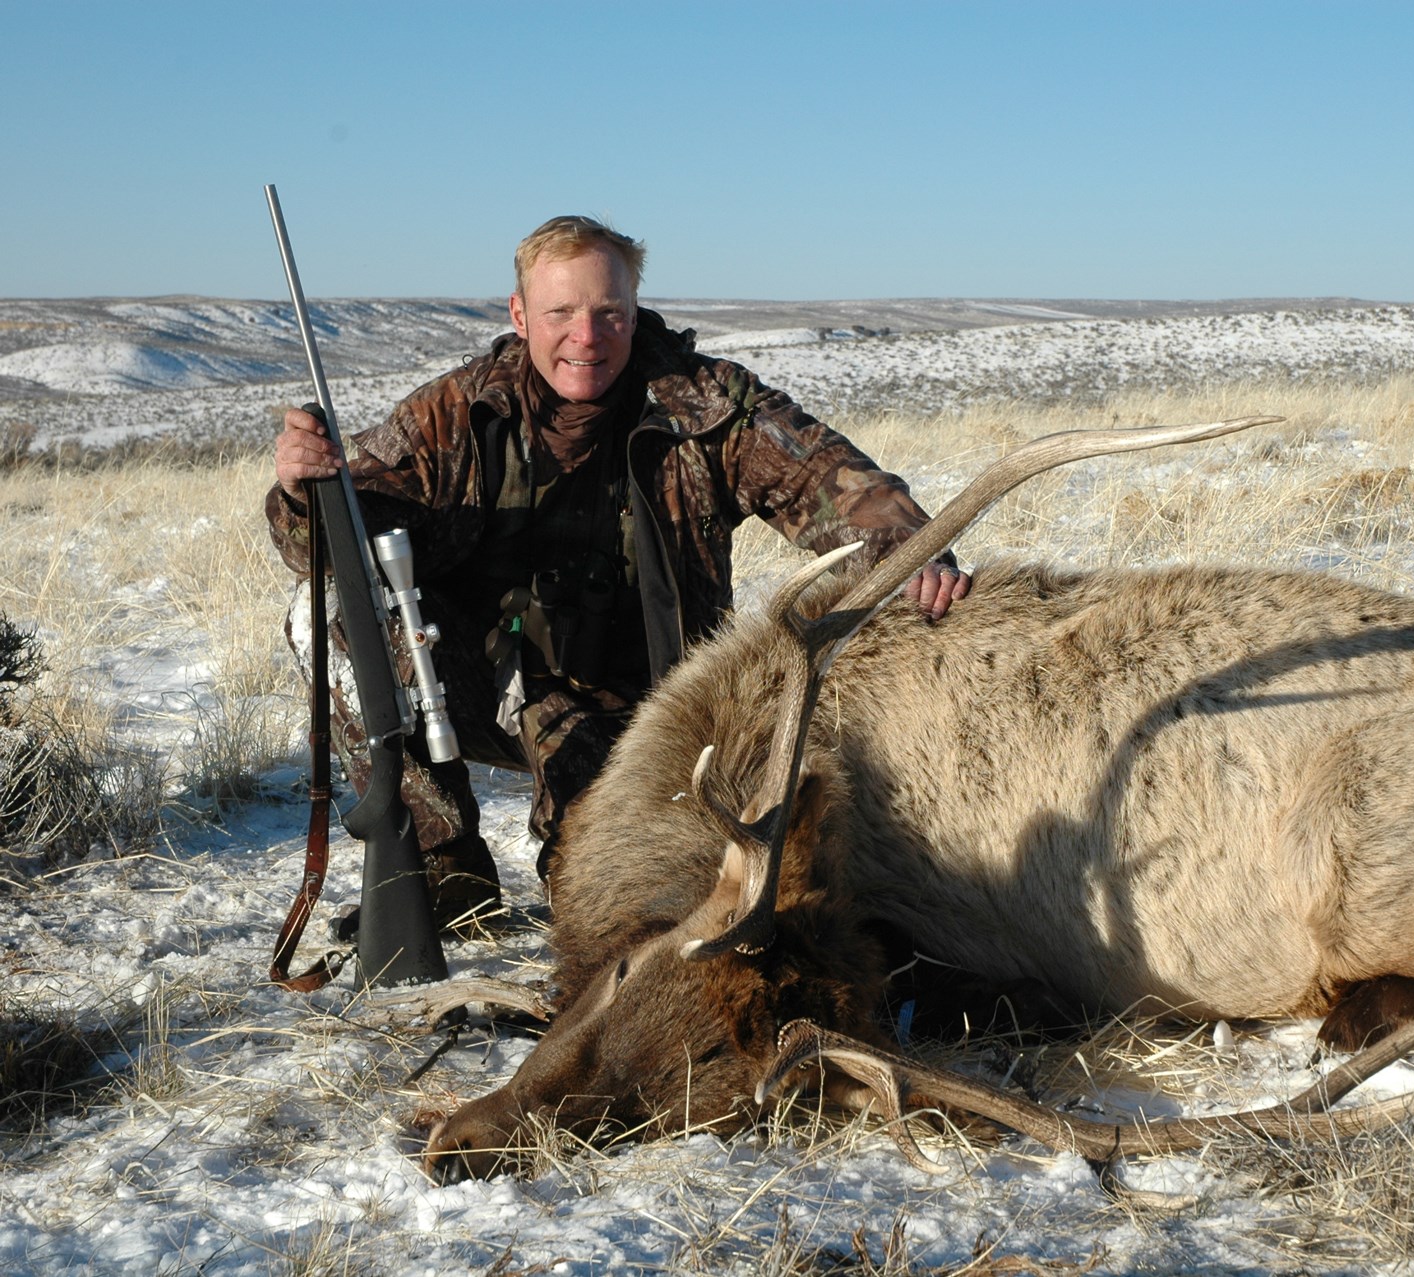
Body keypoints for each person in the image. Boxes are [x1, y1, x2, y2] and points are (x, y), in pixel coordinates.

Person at [265, 215, 968, 931]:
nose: (587, 336)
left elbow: (827, 476)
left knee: (608, 907)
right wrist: (303, 491)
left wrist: (912, 548)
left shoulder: (705, 403)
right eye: (561, 313)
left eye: (609, 313)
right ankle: (441, 872)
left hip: (655, 716)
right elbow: (329, 542)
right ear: (519, 315)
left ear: (635, 310)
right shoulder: (457, 412)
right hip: (482, 683)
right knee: (325, 608)